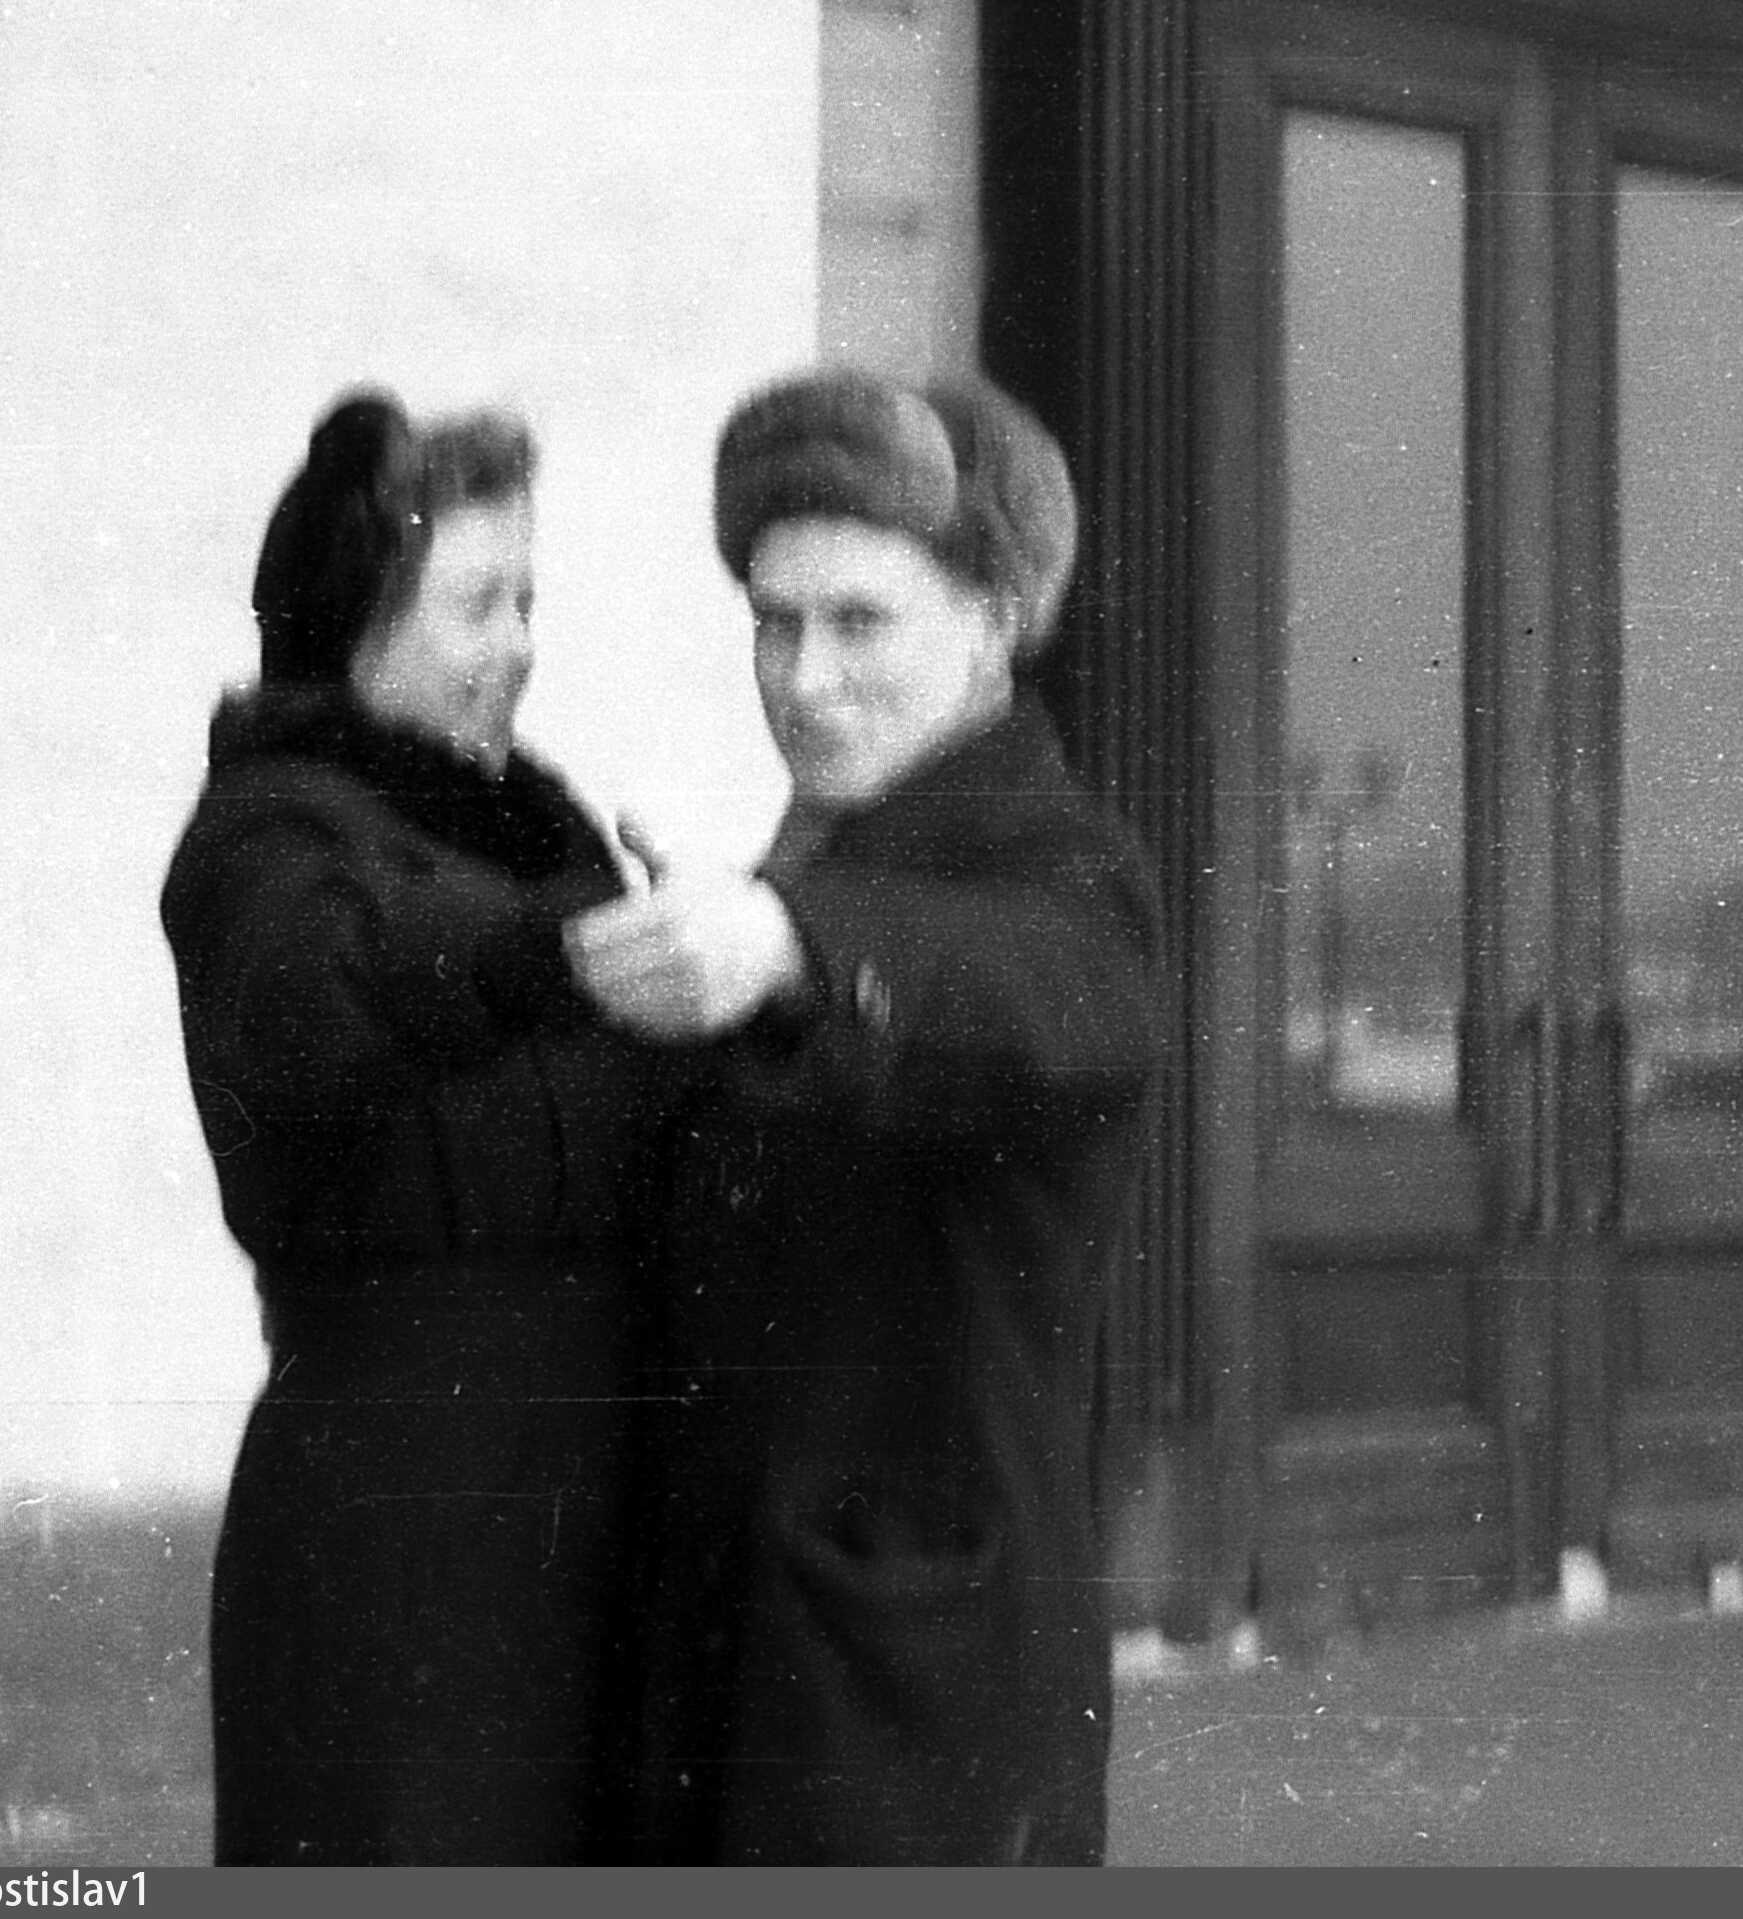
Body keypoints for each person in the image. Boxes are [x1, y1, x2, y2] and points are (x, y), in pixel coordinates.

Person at [567, 366, 1165, 1864]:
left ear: (992, 618)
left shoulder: (1067, 871)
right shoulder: (827, 863)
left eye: (859, 622)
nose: (802, 677)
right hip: (749, 1692)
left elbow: (1054, 996)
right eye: (774, 621)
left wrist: (790, 945)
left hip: (919, 1720)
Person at [159, 388, 651, 1864]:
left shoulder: (538, 825)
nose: (522, 643)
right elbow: (321, 993)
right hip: (399, 1535)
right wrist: (548, 952)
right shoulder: (264, 840)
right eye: (478, 603)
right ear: (354, 624)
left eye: (528, 600)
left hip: (585, 1526)